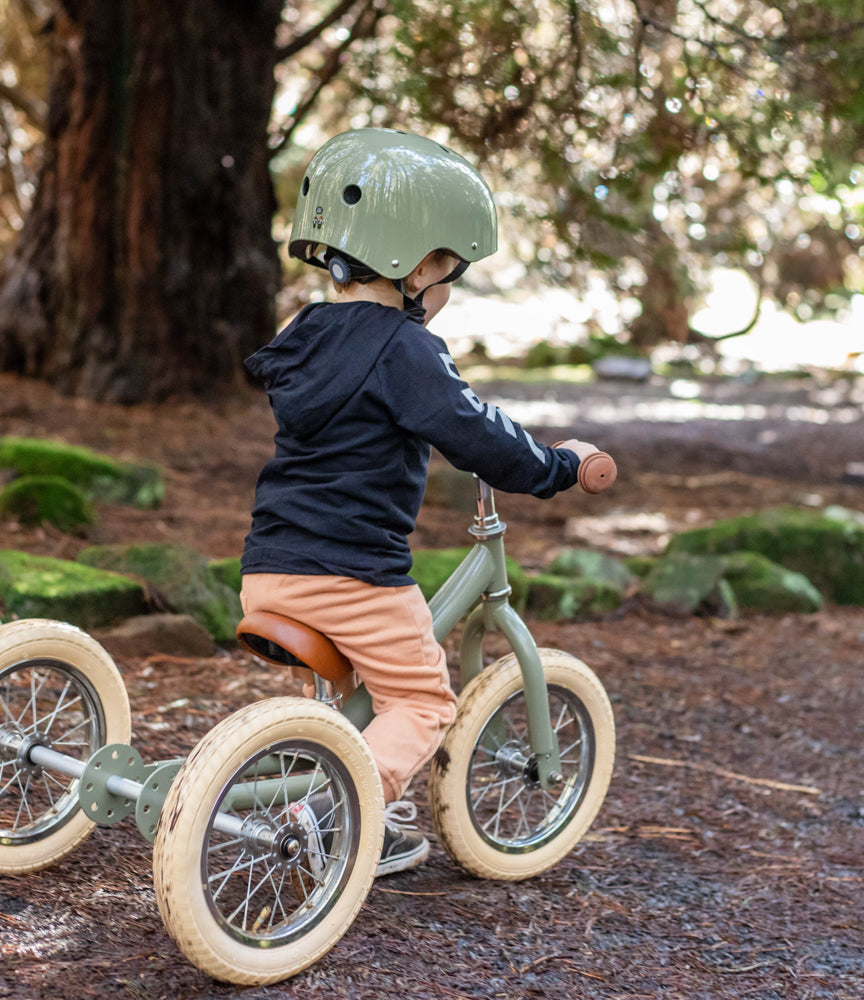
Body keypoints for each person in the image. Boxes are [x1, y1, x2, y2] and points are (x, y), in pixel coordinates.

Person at [240, 128, 599, 877]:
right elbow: (474, 431)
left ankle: (344, 780)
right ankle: (334, 817)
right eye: (451, 272)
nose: (446, 290)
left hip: (270, 569)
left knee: (371, 686)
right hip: (352, 577)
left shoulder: (304, 334)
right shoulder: (405, 349)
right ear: (420, 263)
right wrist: (556, 466)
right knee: (425, 700)